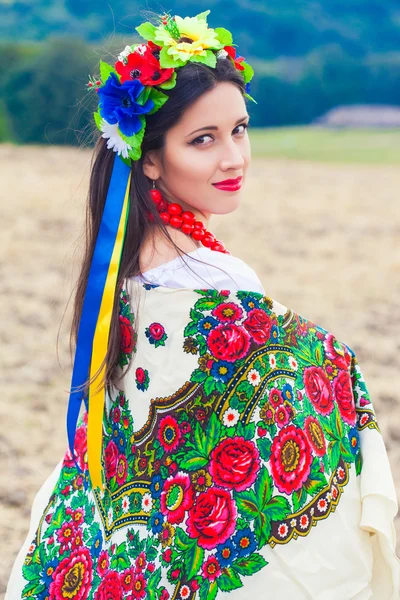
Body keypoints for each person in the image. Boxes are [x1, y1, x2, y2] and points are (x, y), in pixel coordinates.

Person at [5, 9, 400, 600]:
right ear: (152, 158)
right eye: (203, 140)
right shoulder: (214, 275)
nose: (234, 157)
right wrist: (336, 373)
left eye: (239, 129)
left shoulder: (123, 264)